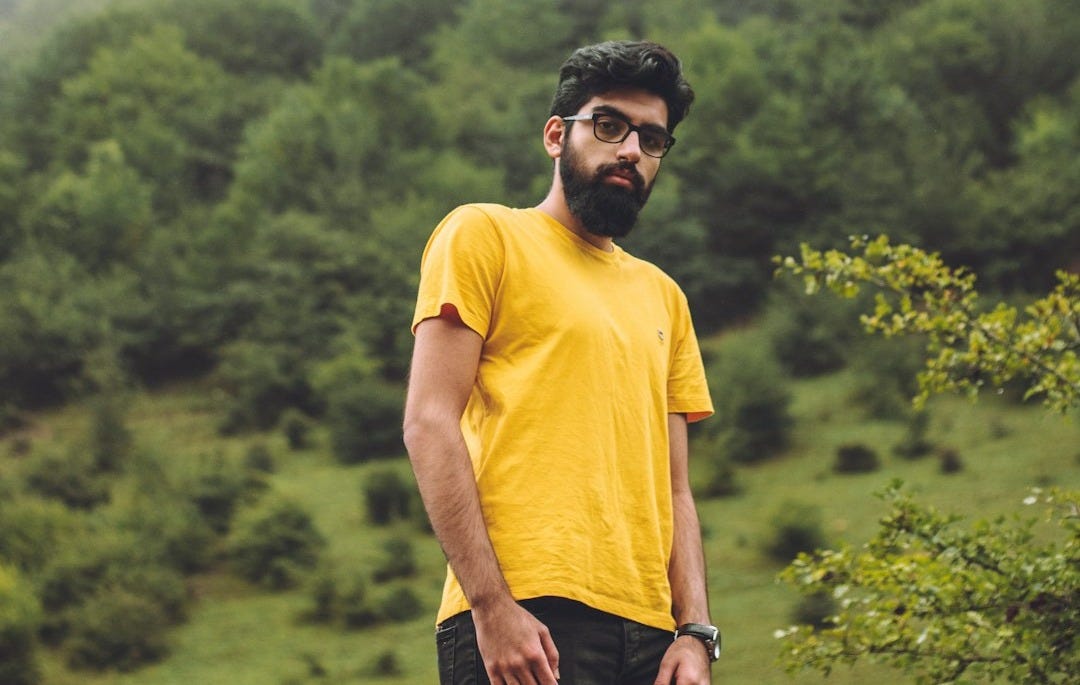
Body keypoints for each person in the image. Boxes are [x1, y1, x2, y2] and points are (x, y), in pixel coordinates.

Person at [403, 40, 717, 685]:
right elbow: (429, 421)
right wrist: (492, 607)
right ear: (555, 135)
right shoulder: (485, 235)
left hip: (651, 636)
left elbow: (676, 489)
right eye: (609, 125)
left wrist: (694, 633)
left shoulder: (665, 296)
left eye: (651, 139)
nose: (630, 150)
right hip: (527, 617)